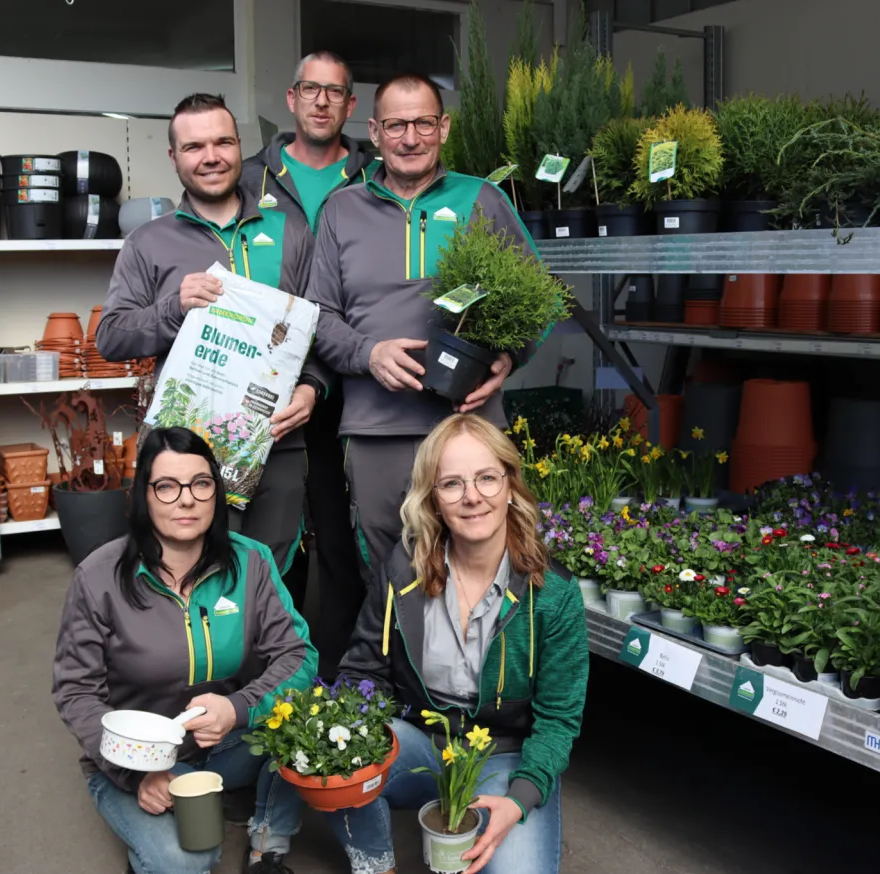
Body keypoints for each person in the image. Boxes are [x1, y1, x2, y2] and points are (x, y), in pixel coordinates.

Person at [303, 72, 546, 577]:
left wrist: (509, 357)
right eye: (396, 125)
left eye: (423, 123)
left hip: (469, 425)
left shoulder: (482, 200)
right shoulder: (341, 210)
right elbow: (318, 316)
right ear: (373, 130)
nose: (410, 138)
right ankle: (394, 661)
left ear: (445, 127)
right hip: (375, 432)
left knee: (484, 567)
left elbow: (536, 299)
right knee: (389, 575)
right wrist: (367, 353)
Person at [328, 414, 587, 874]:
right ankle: (377, 864)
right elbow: (363, 670)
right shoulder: (403, 572)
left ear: (510, 484)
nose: (472, 497)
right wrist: (341, 736)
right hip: (422, 741)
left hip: (502, 756)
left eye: (487, 478)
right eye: (452, 484)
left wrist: (520, 798)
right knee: (335, 764)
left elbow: (559, 720)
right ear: (432, 499)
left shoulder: (552, 595)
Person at [53, 426, 317, 874]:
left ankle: (267, 845)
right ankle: (154, 833)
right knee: (192, 856)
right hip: (133, 760)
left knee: (306, 722)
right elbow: (76, 693)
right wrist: (136, 774)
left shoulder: (249, 561)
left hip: (223, 742)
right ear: (144, 496)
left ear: (216, 491)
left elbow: (298, 656)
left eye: (200, 483)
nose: (186, 499)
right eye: (167, 486)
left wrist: (237, 709)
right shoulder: (99, 577)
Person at [96, 92, 328, 575]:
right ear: (174, 157)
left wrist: (312, 388)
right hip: (185, 457)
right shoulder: (148, 243)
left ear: (239, 145)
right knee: (192, 580)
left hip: (277, 443)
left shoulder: (292, 233)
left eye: (222, 142)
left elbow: (322, 329)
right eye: (194, 146)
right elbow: (111, 336)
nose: (211, 157)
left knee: (273, 578)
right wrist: (173, 307)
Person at [240, 50, 372, 669]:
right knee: (277, 535)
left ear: (351, 106)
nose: (322, 101)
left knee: (348, 538)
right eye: (310, 89)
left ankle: (348, 675)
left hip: (360, 385)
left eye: (335, 92)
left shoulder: (376, 177)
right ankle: (279, 673)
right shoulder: (249, 178)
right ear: (291, 99)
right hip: (274, 386)